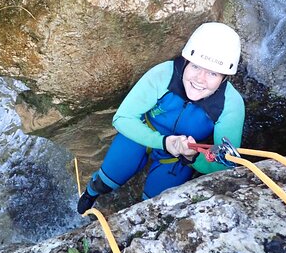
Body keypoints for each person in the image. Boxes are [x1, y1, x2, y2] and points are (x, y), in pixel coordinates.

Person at [77, 22, 245, 214]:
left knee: (152, 207)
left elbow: (224, 165)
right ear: (186, 61)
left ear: (225, 78)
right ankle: (91, 193)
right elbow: (122, 118)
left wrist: (193, 157)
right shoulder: (164, 74)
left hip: (180, 155)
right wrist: (163, 142)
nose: (200, 79)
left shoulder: (231, 105)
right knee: (107, 180)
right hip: (142, 133)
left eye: (213, 73)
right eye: (196, 67)